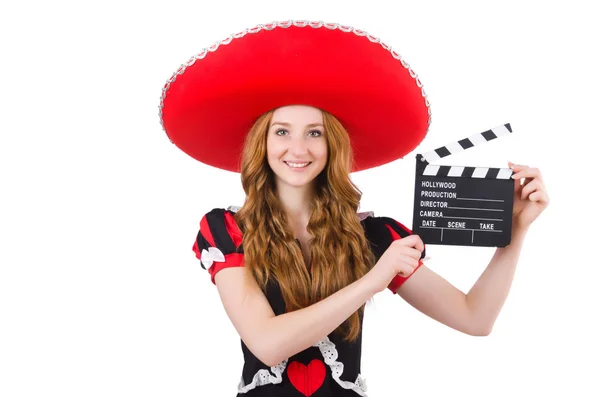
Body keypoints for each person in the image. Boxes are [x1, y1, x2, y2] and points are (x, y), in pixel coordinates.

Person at [159, 21, 549, 397]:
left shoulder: (375, 237)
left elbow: (474, 318)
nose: (298, 149)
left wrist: (513, 234)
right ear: (261, 142)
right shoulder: (226, 229)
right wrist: (371, 281)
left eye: (315, 133)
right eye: (282, 131)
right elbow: (267, 343)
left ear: (334, 145)